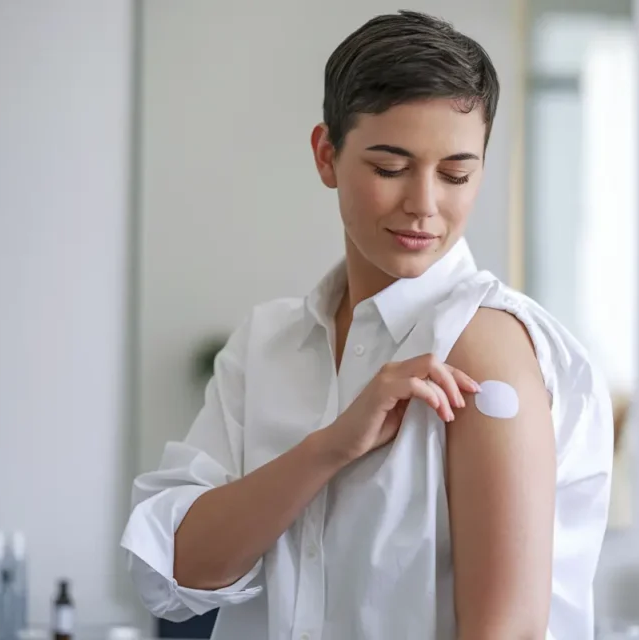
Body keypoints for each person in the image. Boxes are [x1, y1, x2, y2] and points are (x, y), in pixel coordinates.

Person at [121, 10, 614, 640]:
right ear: (327, 155)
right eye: (390, 167)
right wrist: (330, 446)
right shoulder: (266, 346)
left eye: (456, 174)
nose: (425, 205)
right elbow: (177, 571)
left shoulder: (488, 349)